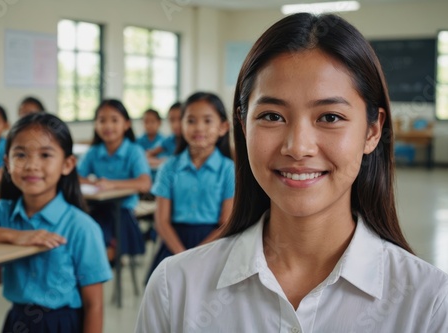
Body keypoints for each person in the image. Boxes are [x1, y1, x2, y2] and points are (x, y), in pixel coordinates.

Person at [136, 13, 448, 333]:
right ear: (243, 127)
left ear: (372, 131)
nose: (298, 148)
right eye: (272, 115)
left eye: (329, 117)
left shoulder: (430, 303)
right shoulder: (175, 288)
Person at [0, 113, 112, 332]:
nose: (32, 165)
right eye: (21, 155)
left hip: (62, 323)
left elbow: (94, 305)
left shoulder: (81, 227)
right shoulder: (4, 213)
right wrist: (13, 235)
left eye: (45, 155)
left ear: (67, 164)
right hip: (18, 320)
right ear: (7, 163)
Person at [145, 92, 234, 281]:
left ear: (223, 127)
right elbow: (161, 221)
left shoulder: (228, 170)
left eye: (208, 121)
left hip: (213, 244)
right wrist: (182, 256)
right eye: (191, 121)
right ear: (181, 126)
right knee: (168, 302)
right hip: (173, 243)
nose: (199, 127)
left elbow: (226, 223)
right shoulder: (169, 167)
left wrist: (195, 255)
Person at [78, 99, 151, 259]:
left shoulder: (134, 151)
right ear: (96, 125)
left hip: (123, 211)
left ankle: (103, 256)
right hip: (98, 207)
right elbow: (74, 176)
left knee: (99, 235)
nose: (108, 126)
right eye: (102, 120)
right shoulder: (94, 152)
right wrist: (94, 183)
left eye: (114, 120)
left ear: (126, 124)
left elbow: (145, 183)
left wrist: (112, 185)